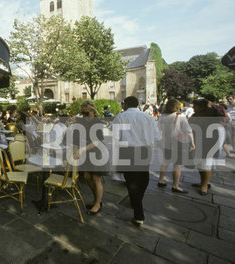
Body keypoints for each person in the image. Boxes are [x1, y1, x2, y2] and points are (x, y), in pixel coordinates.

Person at [112, 96, 161, 226]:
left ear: (126, 104)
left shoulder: (120, 117)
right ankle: (137, 199)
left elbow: (115, 139)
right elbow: (157, 136)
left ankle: (138, 212)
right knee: (143, 176)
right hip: (145, 150)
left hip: (127, 151)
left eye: (123, 103)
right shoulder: (148, 117)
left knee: (131, 181)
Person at [71, 100, 108, 215]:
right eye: (83, 113)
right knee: (87, 177)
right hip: (86, 153)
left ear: (93, 111)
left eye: (87, 113)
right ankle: (96, 199)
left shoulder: (97, 122)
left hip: (97, 152)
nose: (84, 115)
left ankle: (97, 203)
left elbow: (97, 142)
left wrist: (81, 150)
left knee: (96, 179)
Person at [157, 99, 195, 193]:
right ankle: (175, 185)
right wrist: (192, 143)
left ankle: (161, 180)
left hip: (166, 142)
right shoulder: (180, 116)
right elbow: (188, 130)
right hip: (178, 143)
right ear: (177, 107)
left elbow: (159, 129)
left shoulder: (162, 116)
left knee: (165, 162)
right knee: (177, 165)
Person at [189, 99, 223, 195]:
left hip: (208, 142)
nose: (192, 107)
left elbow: (221, 115)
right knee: (199, 163)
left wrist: (211, 104)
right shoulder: (195, 116)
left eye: (195, 106)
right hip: (197, 142)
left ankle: (205, 185)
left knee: (206, 163)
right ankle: (203, 182)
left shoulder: (212, 115)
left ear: (201, 107)